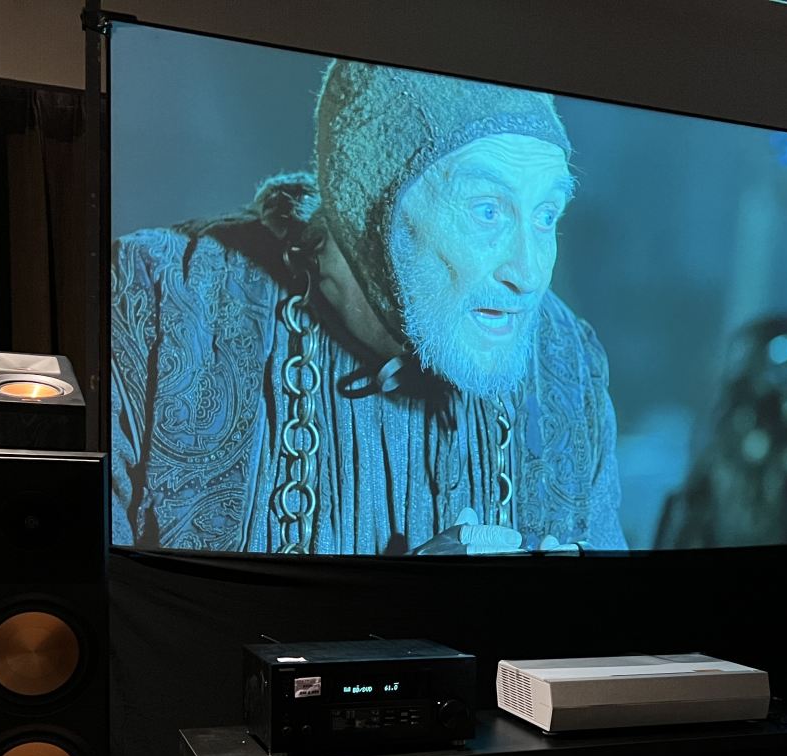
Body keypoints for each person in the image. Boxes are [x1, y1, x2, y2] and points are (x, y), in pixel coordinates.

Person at [110, 59, 625, 555]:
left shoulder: (566, 357)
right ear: (370, 205)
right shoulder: (155, 302)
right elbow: (92, 595)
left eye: (546, 215)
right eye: (486, 211)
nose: (528, 274)